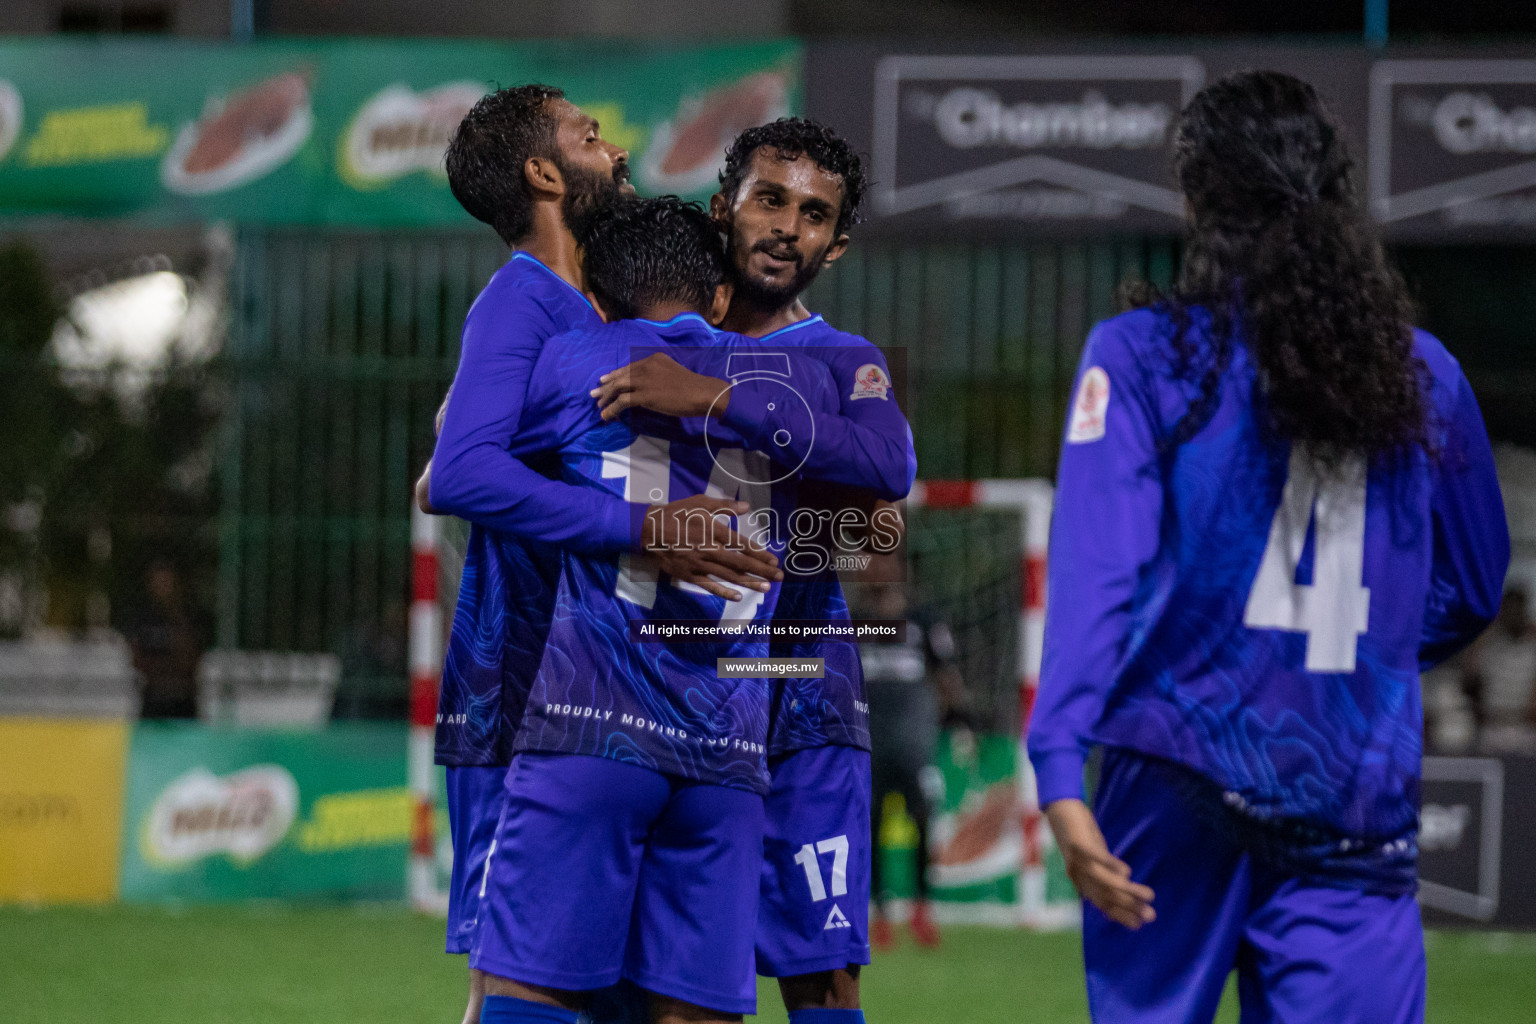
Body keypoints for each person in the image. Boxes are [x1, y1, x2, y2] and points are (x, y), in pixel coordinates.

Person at [1027, 71, 1509, 1024]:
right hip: (1349, 783)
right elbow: (1473, 587)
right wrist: (1351, 657)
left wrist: (1055, 760)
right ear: (1332, 196)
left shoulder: (1142, 356)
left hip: (1169, 774)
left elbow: (1100, 571)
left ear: (1197, 200)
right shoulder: (1426, 374)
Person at [420, 85, 781, 1024]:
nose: (616, 149)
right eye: (589, 135)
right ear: (544, 174)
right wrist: (643, 530)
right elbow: (456, 477)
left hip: (618, 699)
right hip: (524, 689)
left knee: (612, 991)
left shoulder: (600, 313)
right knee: (508, 986)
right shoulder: (523, 301)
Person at [466, 196, 846, 1024]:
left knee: (531, 997)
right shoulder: (792, 385)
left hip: (590, 730)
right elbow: (873, 485)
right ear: (718, 296)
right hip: (727, 757)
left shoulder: (576, 358)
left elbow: (469, 462)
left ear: (598, 299)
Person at [590, 118, 913, 1024]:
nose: (787, 227)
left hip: (799, 697)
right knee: (649, 979)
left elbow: (887, 471)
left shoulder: (844, 361)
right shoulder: (640, 335)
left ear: (836, 245)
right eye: (769, 198)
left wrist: (720, 399)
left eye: (814, 215)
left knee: (822, 973)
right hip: (656, 697)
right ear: (721, 207)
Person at [852, 563, 966, 950]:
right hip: (869, 741)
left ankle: (921, 910)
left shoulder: (923, 620)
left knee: (922, 822)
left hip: (913, 743)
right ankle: (881, 915)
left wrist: (958, 722)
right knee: (871, 827)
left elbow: (947, 675)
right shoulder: (854, 621)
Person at [1460, 587, 1536, 753]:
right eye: (1509, 610)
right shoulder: (1487, 644)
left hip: (1525, 729)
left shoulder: (1532, 645)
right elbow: (1469, 678)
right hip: (1492, 728)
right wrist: (1486, 630)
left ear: (1524, 611)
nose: (1513, 615)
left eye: (1518, 610)